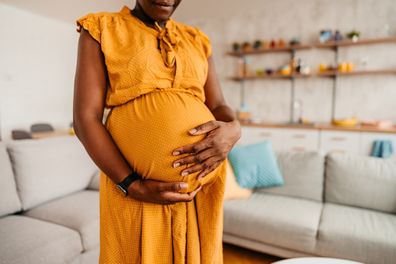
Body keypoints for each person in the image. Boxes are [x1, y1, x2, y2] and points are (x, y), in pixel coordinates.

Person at [73, 0, 241, 263]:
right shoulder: (101, 28)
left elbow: (218, 105)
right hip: (133, 190)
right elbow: (86, 119)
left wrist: (234, 129)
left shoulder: (197, 40)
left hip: (198, 195)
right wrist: (132, 185)